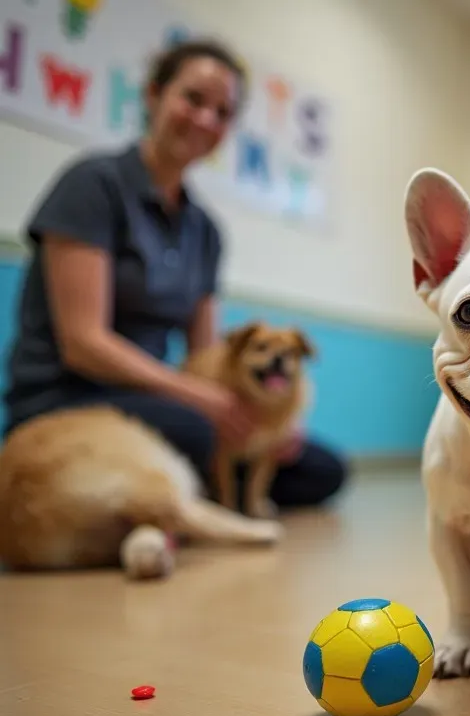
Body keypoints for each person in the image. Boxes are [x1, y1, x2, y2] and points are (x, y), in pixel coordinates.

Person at [2, 39, 348, 511]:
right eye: (193, 99)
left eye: (222, 112)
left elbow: (206, 354)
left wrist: (273, 418)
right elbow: (82, 342)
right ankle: (171, 499)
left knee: (323, 467)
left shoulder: (204, 231)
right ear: (153, 95)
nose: (206, 119)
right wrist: (198, 399)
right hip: (70, 398)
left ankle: (172, 499)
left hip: (157, 400)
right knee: (202, 433)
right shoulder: (92, 185)